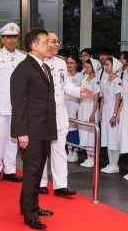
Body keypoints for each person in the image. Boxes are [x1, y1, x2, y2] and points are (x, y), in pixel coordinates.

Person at [10, 28, 56, 230]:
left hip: (44, 128)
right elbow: (18, 103)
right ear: (35, 45)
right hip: (30, 130)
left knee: (37, 171)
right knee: (31, 172)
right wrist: (21, 132)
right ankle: (30, 214)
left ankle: (31, 206)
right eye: (46, 41)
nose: (50, 45)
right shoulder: (24, 68)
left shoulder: (44, 67)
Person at [39, 31, 93, 196]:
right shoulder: (36, 62)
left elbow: (66, 86)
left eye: (58, 41)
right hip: (41, 115)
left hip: (59, 114)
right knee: (41, 150)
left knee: (59, 150)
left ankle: (60, 185)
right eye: (52, 41)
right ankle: (40, 182)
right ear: (44, 43)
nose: (56, 45)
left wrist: (79, 91)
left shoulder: (61, 63)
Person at [0, 23, 25, 183]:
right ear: (2, 39)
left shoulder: (23, 56)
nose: (12, 40)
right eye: (9, 37)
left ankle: (10, 170)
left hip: (18, 107)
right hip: (0, 106)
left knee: (13, 139)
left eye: (14, 37)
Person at [100, 57, 122, 173]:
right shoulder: (104, 80)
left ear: (114, 67)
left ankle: (115, 164)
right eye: (105, 64)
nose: (105, 66)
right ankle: (110, 163)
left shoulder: (118, 81)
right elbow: (103, 97)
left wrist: (114, 114)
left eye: (108, 64)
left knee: (114, 137)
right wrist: (100, 111)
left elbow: (118, 98)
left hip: (113, 108)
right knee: (107, 137)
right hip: (105, 109)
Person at [78, 58, 100, 167]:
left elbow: (96, 98)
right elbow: (81, 95)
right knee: (84, 132)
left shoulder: (96, 81)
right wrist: (79, 108)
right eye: (85, 67)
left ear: (93, 68)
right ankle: (88, 157)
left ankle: (92, 158)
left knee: (91, 133)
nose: (85, 69)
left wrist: (93, 113)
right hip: (83, 106)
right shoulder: (84, 80)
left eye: (88, 67)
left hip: (91, 106)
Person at [65, 55, 83, 163]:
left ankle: (75, 152)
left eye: (72, 63)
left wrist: (79, 109)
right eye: (68, 63)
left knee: (73, 130)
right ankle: (69, 151)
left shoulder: (80, 76)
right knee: (66, 130)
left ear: (77, 64)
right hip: (65, 104)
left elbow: (81, 93)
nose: (69, 65)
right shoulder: (65, 75)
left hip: (74, 105)